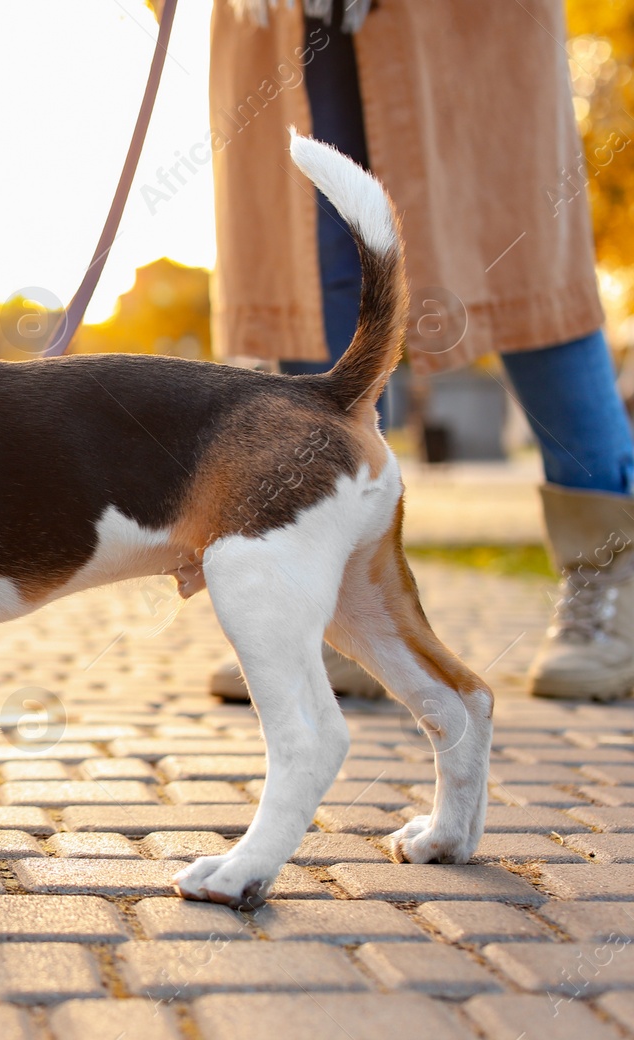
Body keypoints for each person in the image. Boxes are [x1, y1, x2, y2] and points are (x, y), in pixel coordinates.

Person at [208, 0, 634, 702]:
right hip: (283, 21)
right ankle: (342, 606)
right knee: (311, 276)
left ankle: (609, 584)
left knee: (526, 266)